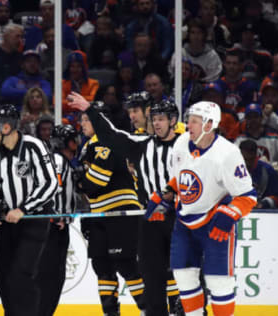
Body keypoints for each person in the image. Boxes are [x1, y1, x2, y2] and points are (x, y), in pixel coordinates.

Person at [69, 92, 184, 316]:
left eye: (136, 111)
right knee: (149, 270)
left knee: (177, 269)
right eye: (129, 111)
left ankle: (181, 309)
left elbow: (96, 181)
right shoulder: (139, 141)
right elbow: (114, 137)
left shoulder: (183, 141)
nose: (132, 116)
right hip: (147, 215)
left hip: (170, 215)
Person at [160, 101, 256, 316]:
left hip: (215, 224)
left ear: (210, 124)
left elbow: (248, 196)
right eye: (188, 121)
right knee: (183, 277)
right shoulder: (181, 143)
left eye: (194, 122)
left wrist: (229, 215)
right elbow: (180, 178)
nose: (188, 126)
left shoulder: (227, 154)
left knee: (218, 281)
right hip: (184, 223)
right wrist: (165, 194)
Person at [0, 104, 58, 316]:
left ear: (7, 127)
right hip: (7, 224)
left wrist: (23, 208)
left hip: (34, 220)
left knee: (21, 275)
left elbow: (50, 184)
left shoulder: (34, 146)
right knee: (2, 276)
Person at [72, 99, 146, 316]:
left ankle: (148, 308)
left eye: (87, 119)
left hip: (120, 212)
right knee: (102, 265)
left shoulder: (106, 142)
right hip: (101, 213)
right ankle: (110, 312)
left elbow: (96, 181)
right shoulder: (89, 145)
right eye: (82, 119)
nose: (82, 124)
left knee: (126, 265)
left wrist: (80, 182)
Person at [37, 124, 79, 316]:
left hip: (57, 228)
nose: (76, 144)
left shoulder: (62, 162)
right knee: (49, 278)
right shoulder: (57, 162)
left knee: (54, 278)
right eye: (73, 140)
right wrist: (53, 216)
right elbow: (51, 190)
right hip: (52, 228)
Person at [239, 139, 278, 209]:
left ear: (256, 155)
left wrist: (263, 204)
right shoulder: (232, 171)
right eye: (244, 160)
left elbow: (277, 197)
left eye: (251, 159)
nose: (247, 163)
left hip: (263, 211)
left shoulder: (268, 170)